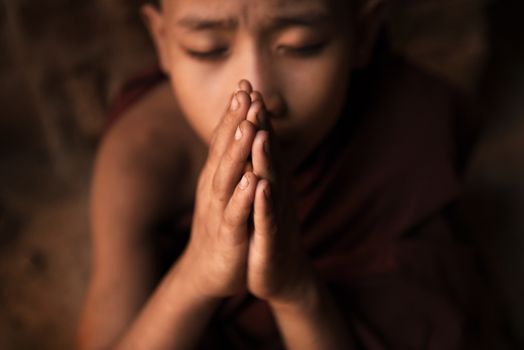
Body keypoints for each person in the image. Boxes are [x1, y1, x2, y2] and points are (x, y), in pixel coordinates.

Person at [77, 0, 489, 349]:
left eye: (300, 46)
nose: (258, 93)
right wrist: (197, 275)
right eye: (207, 49)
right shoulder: (144, 156)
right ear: (162, 41)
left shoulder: (406, 124)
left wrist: (296, 290)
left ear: (361, 33)